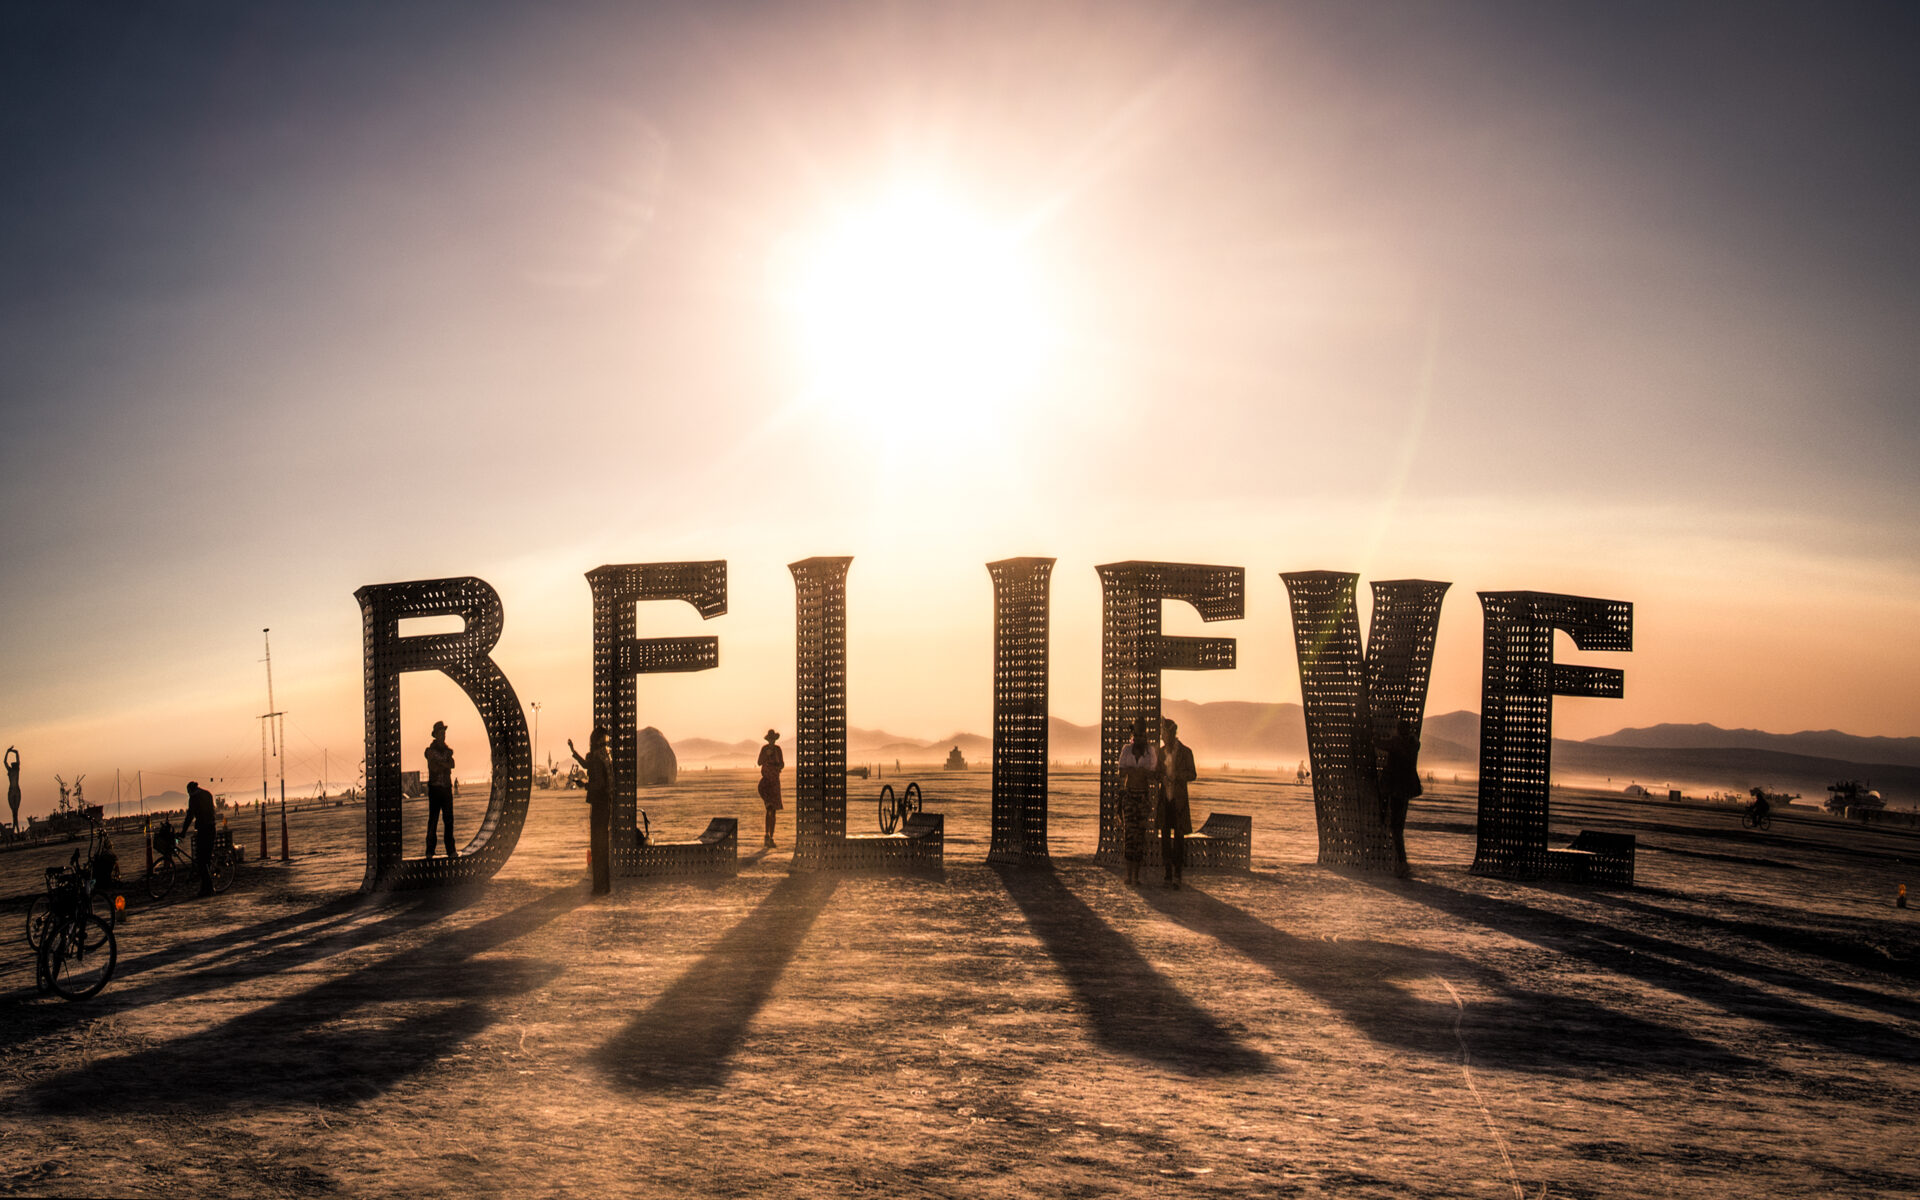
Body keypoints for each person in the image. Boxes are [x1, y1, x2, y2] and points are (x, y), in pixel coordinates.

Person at [570, 728, 613, 895]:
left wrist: (585, 785)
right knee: (603, 846)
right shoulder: (606, 755)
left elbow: (598, 784)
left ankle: (599, 886)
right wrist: (574, 752)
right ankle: (604, 886)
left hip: (598, 804)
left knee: (597, 846)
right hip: (606, 804)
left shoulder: (597, 758)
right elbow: (588, 765)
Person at [1380, 717, 1423, 878]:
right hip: (1406, 788)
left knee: (1395, 826)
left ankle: (1401, 862)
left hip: (1395, 787)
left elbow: (1380, 744)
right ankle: (1401, 862)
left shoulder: (1397, 743)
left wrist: (1375, 735)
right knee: (1398, 825)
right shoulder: (1413, 744)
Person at [1117, 720, 1158, 886]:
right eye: (1137, 735)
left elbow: (1153, 774)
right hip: (1130, 795)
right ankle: (1129, 874)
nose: (1140, 737)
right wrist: (1134, 771)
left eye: (1142, 735)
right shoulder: (1127, 750)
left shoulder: (1150, 752)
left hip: (1142, 796)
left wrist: (1142, 773)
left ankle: (1136, 875)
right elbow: (1121, 772)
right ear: (1133, 735)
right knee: (1129, 835)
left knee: (1140, 835)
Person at [1157, 717, 1196, 889]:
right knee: (1165, 837)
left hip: (1179, 801)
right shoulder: (1160, 752)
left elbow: (1192, 774)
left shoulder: (1186, 752)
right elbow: (1156, 772)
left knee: (1179, 838)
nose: (1162, 736)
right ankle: (1167, 872)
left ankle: (1177, 874)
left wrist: (1177, 776)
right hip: (1165, 799)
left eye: (1164, 733)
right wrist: (1163, 777)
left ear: (1170, 733)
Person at [424, 720, 456, 859]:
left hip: (446, 789)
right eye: (441, 733)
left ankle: (451, 850)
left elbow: (452, 764)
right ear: (436, 735)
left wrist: (441, 764)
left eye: (444, 733)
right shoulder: (430, 751)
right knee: (433, 820)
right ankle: (430, 851)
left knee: (448, 820)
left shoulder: (448, 751)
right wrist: (445, 764)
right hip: (436, 790)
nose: (443, 735)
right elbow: (434, 767)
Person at [182, 780, 217, 896]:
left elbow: (190, 816)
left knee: (201, 861)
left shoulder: (194, 798)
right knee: (204, 860)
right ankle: (205, 887)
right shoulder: (207, 794)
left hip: (203, 830)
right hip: (211, 828)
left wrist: (183, 831)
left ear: (190, 790)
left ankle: (209, 888)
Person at [757, 729, 784, 848]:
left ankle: (770, 837)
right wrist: (766, 755)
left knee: (773, 811)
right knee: (769, 808)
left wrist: (778, 765)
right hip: (767, 782)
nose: (772, 741)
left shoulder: (778, 749)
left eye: (773, 739)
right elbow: (759, 762)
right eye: (770, 739)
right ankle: (767, 835)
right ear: (768, 740)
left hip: (775, 783)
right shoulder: (764, 749)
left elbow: (782, 763)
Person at [5, 746, 19, 832]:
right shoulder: (12, 770)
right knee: (14, 811)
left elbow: (17, 754)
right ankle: (15, 827)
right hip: (13, 790)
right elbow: (5, 762)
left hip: (15, 790)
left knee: (15, 811)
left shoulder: (16, 770)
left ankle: (15, 827)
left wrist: (9, 751)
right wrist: (9, 751)